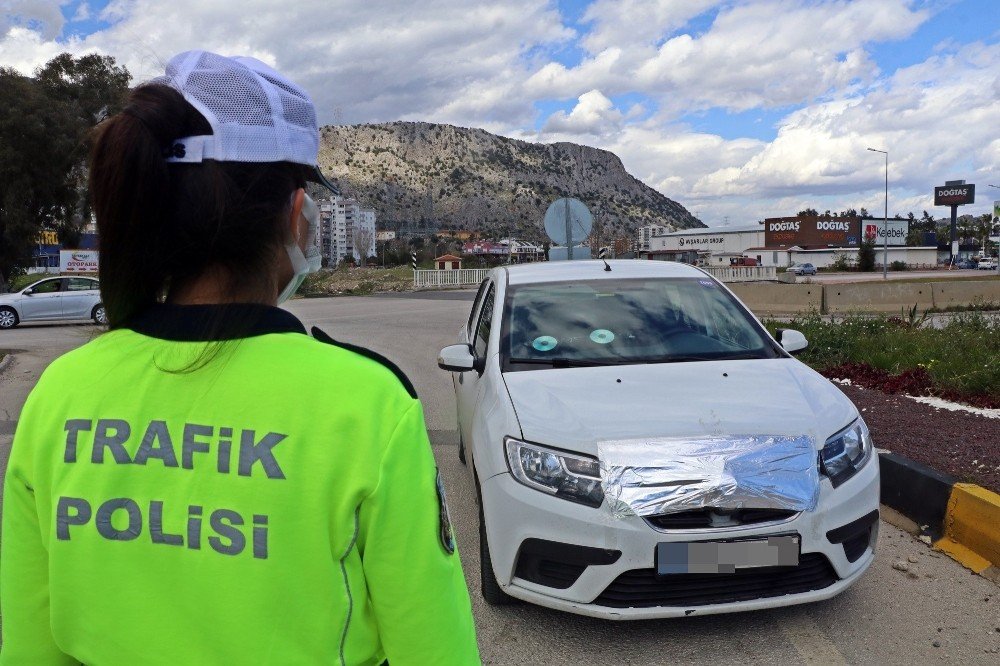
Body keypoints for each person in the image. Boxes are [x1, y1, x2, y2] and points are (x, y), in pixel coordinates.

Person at [0, 50, 480, 665]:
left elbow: (32, 649)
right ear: (293, 214)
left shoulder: (61, 391)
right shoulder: (368, 404)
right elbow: (434, 648)